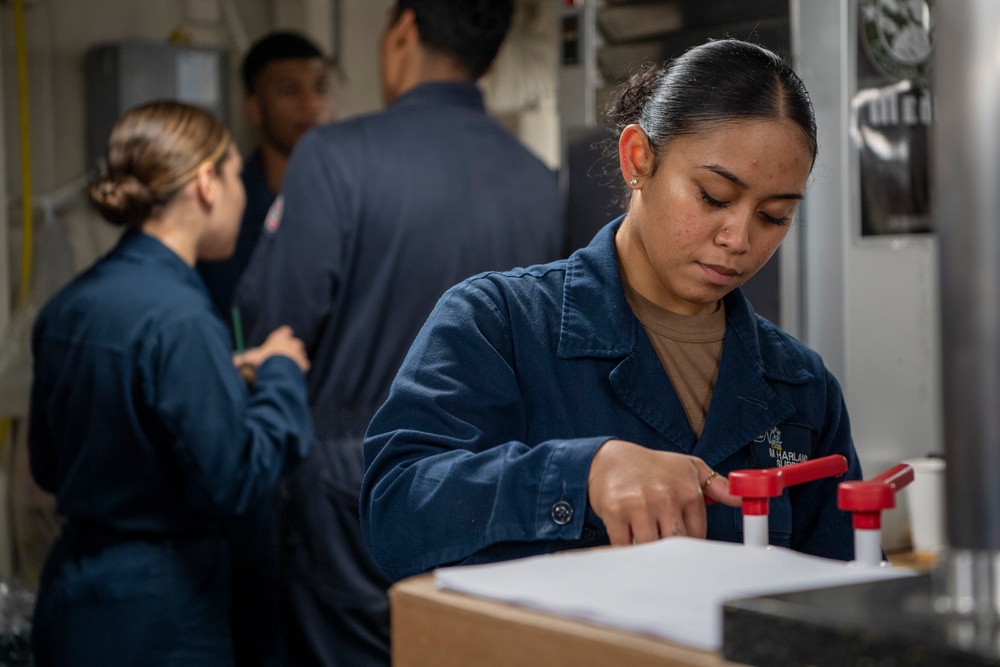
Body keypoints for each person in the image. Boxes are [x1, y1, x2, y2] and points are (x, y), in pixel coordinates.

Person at [360, 38, 865, 581]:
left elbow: (835, 598)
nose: (738, 237)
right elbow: (396, 513)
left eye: (773, 216)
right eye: (714, 196)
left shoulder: (800, 387)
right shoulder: (499, 323)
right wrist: (582, 475)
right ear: (638, 160)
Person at [234, 1, 563, 664]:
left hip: (352, 491)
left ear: (403, 32)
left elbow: (278, 321)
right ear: (493, 60)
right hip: (490, 485)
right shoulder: (538, 180)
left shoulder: (333, 157)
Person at [29, 100, 313, 667]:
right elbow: (237, 480)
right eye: (235, 173)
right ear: (207, 183)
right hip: (162, 607)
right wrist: (280, 371)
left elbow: (49, 464)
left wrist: (220, 381)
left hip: (72, 595)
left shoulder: (69, 305)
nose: (241, 191)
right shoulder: (180, 320)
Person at [196, 31, 332, 326]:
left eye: (320, 88)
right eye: (290, 91)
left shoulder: (344, 197)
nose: (310, 104)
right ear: (254, 108)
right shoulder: (225, 203)